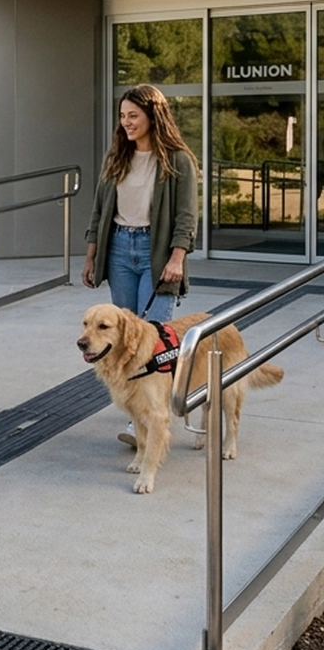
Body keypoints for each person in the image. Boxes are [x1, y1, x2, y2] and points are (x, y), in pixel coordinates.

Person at [82, 84, 198, 445]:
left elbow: (186, 216)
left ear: (153, 116)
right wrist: (92, 254)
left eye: (133, 115)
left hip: (156, 251)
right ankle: (139, 413)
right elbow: (99, 209)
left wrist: (177, 257)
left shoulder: (177, 159)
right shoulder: (117, 156)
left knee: (154, 339)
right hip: (118, 248)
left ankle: (149, 419)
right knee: (122, 338)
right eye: (123, 116)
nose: (126, 122)